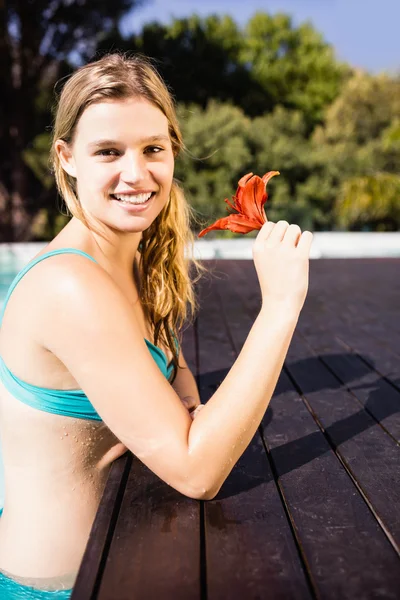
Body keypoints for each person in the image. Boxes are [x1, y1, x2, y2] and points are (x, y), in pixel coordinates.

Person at [0, 52, 313, 598]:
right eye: (108, 152)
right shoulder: (69, 288)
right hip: (55, 587)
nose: (136, 174)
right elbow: (198, 471)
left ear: (173, 148)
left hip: (115, 563)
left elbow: (177, 373)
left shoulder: (135, 257)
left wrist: (188, 417)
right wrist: (280, 307)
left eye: (153, 149)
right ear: (66, 157)